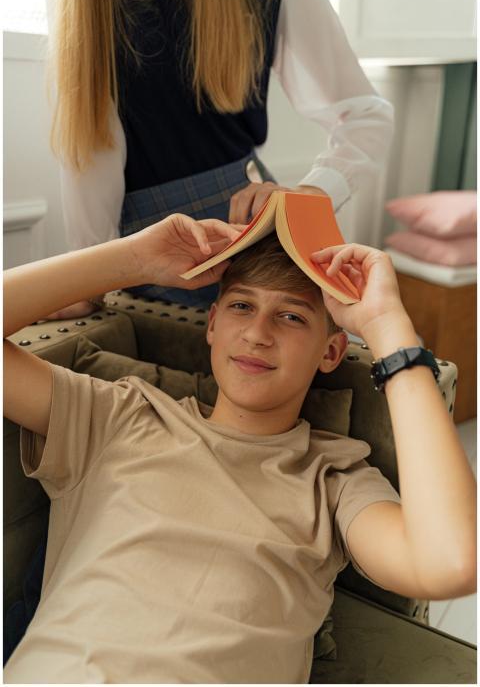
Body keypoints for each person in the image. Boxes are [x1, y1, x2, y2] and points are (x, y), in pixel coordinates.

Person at [4, 213, 476, 683]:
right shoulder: (120, 414)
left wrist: (386, 326)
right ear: (212, 324)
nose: (257, 333)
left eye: (291, 316)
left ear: (331, 351)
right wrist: (134, 259)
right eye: (241, 307)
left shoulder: (335, 479)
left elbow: (451, 564)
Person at [45, 0, 394, 315]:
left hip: (243, 249)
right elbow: (90, 152)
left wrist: (315, 190)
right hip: (131, 269)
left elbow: (367, 116)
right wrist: (88, 277)